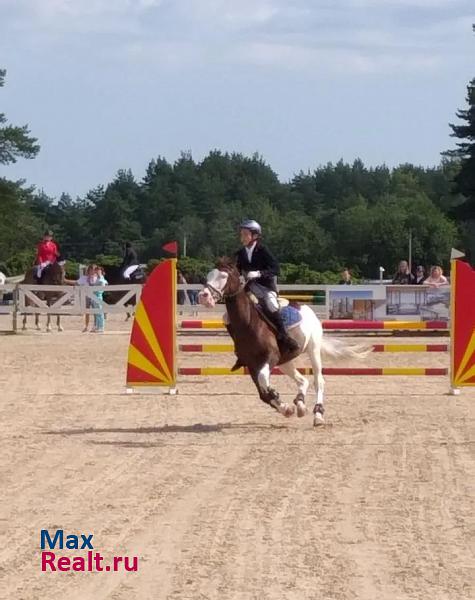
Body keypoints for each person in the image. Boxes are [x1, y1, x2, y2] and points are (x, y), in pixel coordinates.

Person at [234, 219, 299, 356]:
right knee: (231, 314)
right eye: (242, 234)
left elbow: (275, 269)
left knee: (272, 306)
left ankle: (284, 337)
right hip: (248, 287)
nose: (242, 237)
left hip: (265, 287)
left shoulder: (262, 250)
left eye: (245, 234)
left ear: (255, 236)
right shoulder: (240, 253)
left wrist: (259, 273)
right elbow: (237, 270)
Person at [91, 266, 108, 333]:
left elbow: (104, 283)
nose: (97, 271)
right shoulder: (97, 278)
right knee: (96, 312)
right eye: (96, 270)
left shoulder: (101, 278)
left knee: (100, 312)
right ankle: (98, 326)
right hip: (94, 296)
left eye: (98, 270)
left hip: (98, 296)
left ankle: (101, 327)